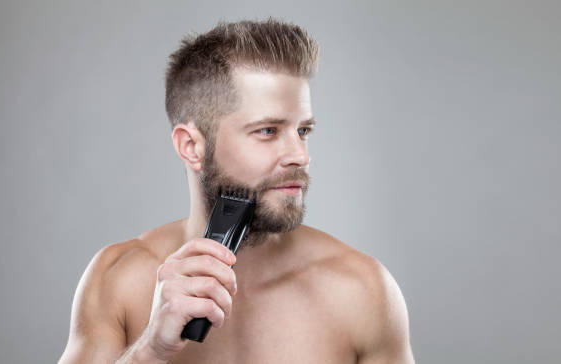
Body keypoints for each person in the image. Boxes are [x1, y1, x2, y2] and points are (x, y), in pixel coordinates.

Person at [58, 17, 415, 364]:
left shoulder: (361, 290)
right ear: (191, 147)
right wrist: (150, 350)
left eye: (303, 131)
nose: (299, 156)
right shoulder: (119, 279)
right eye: (268, 131)